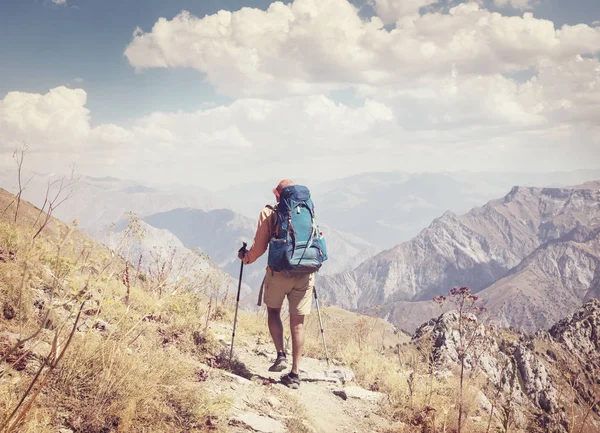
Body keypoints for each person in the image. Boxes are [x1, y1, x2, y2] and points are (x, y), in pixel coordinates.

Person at [237, 179, 315, 389]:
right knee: (298, 324)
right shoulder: (307, 209)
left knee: (273, 312)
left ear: (278, 195)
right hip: (305, 272)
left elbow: (260, 246)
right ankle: (295, 373)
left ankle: (281, 354)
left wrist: (246, 258)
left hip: (279, 272)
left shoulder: (269, 212)